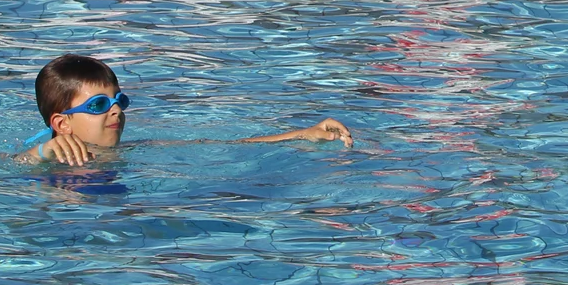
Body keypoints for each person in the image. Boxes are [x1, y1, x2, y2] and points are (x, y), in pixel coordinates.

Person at [23, 54, 354, 165]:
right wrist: (41, 153)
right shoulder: (50, 156)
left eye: (119, 101)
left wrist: (304, 133)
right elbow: (11, 166)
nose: (116, 112)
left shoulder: (133, 153)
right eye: (98, 105)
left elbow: (224, 147)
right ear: (61, 123)